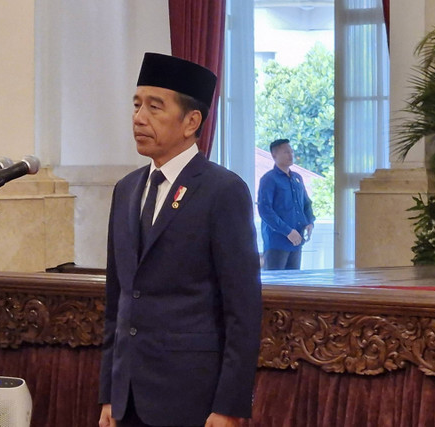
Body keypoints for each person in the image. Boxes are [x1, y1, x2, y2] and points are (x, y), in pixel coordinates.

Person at [98, 52, 262, 427]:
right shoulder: (126, 190)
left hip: (193, 400)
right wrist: (109, 393)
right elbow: (116, 300)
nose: (139, 118)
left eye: (155, 107)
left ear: (191, 121)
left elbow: (243, 312)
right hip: (128, 400)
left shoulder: (222, 191)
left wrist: (229, 407)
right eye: (137, 105)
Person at [257, 139, 315, 270]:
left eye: (291, 151)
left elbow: (306, 203)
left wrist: (309, 222)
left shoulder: (297, 178)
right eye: (286, 152)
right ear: (274, 155)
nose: (290, 155)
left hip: (297, 240)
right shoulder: (269, 179)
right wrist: (287, 231)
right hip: (277, 241)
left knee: (293, 284)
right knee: (275, 283)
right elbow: (265, 210)